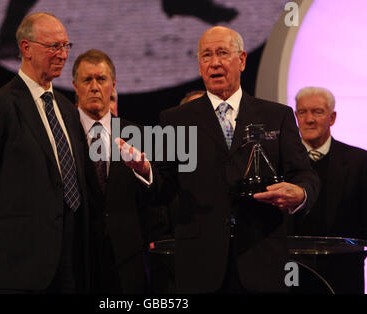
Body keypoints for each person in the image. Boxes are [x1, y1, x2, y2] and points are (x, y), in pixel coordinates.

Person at [117, 26, 320, 293]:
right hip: (201, 264)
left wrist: (301, 193)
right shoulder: (176, 119)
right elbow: (163, 188)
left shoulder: (276, 116)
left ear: (243, 60)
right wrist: (145, 170)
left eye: (222, 53)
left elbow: (305, 174)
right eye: (206, 55)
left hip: (261, 259)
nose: (214, 62)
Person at [0, 12, 96, 293]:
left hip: (69, 263)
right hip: (14, 268)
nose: (62, 54)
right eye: (53, 46)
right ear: (26, 49)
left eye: (66, 46)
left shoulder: (68, 111)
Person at [73, 49, 167, 293]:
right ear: (75, 85)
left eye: (101, 79)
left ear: (113, 85)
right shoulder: (61, 133)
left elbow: (158, 196)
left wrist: (144, 170)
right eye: (87, 80)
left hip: (127, 260)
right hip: (76, 258)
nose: (94, 87)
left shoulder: (137, 133)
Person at [292, 87, 367, 239]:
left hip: (343, 259)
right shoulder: (282, 160)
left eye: (317, 112)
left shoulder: (360, 161)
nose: (309, 119)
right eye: (302, 112)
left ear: (332, 118)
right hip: (291, 260)